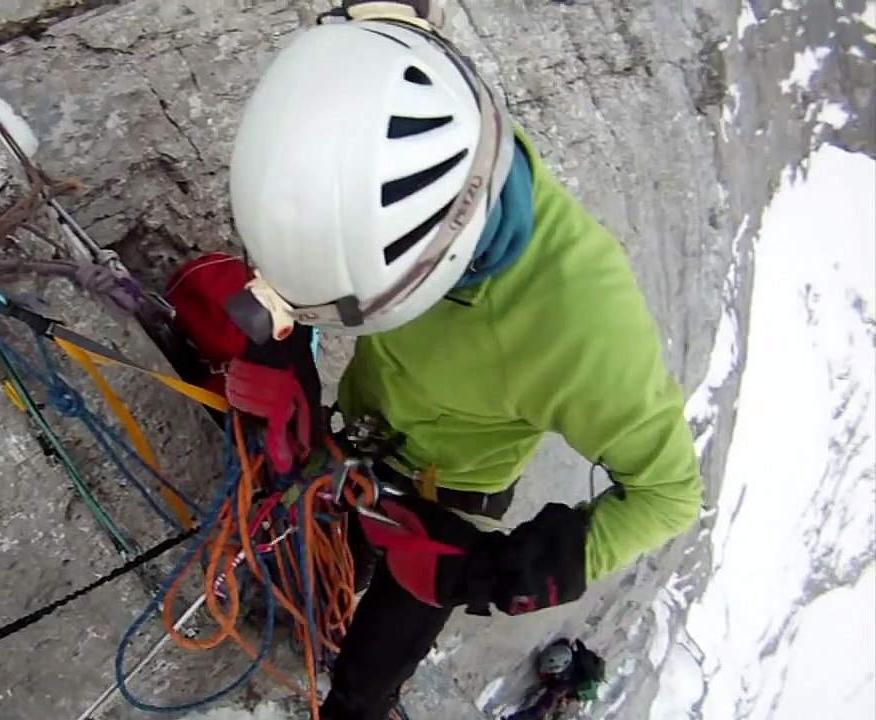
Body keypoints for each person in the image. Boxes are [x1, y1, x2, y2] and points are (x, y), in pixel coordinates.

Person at [208, 2, 703, 718]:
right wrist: (283, 346)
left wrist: (491, 573)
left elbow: (669, 496)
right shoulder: (413, 116)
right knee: (318, 549)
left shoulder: (582, 330)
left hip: (443, 506)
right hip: (360, 433)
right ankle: (304, 597)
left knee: (365, 687)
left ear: (431, 276)